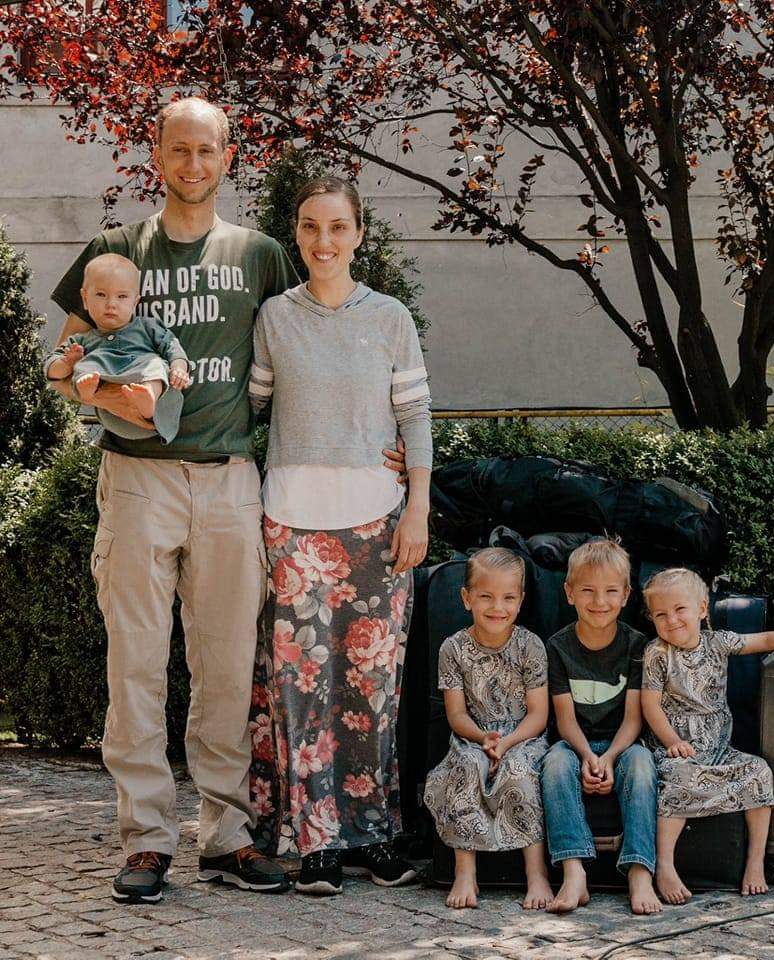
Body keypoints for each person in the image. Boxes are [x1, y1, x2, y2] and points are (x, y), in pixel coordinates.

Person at [47, 97, 405, 905]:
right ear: (158, 155)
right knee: (135, 664)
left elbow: (321, 332)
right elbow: (67, 360)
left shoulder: (260, 255)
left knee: (222, 665)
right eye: (180, 150)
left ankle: (227, 835)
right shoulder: (116, 249)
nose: (194, 165)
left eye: (207, 151)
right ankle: (144, 842)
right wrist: (111, 397)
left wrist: (377, 432)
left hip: (230, 479)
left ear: (227, 155)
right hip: (138, 476)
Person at [246, 176, 430, 898]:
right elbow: (252, 408)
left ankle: (374, 836)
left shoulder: (390, 318)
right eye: (311, 227)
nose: (324, 241)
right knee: (300, 690)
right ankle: (315, 841)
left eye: (338, 227)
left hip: (378, 527)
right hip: (291, 524)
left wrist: (416, 508)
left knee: (370, 686)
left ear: (359, 234)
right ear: (297, 233)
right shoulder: (273, 319)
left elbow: (415, 418)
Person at [640, 567, 774, 902]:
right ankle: (664, 865)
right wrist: (673, 742)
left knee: (759, 772)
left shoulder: (718, 643)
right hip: (678, 749)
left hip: (718, 748)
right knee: (678, 778)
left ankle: (755, 862)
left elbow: (764, 640)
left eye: (680, 610)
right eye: (661, 614)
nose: (671, 620)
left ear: (702, 609)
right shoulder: (657, 653)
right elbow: (650, 706)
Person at [424, 548, 553, 911]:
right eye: (486, 597)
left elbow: (538, 714)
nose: (498, 607)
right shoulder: (453, 649)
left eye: (508, 598)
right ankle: (465, 869)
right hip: (474, 736)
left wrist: (508, 742)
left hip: (523, 737)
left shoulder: (530, 646)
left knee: (519, 771)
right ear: (467, 599)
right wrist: (483, 739)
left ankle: (536, 871)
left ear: (521, 600)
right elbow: (456, 714)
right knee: (465, 768)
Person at [540, 539, 660, 916]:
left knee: (642, 765)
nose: (599, 601)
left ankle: (640, 869)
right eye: (588, 591)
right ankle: (573, 870)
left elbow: (634, 718)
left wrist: (609, 756)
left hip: (623, 742)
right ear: (569, 592)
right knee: (555, 765)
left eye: (611, 591)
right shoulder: (557, 647)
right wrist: (588, 755)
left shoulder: (637, 644)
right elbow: (564, 719)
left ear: (626, 595)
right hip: (574, 742)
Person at [45, 253, 190, 443]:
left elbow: (172, 346)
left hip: (148, 398)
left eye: (122, 296)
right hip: (112, 412)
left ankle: (149, 400)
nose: (111, 304)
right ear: (85, 298)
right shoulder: (82, 340)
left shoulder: (146, 327)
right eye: (101, 294)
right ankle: (87, 391)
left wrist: (179, 367)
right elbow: (50, 369)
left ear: (135, 302)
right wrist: (67, 362)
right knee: (85, 365)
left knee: (156, 364)